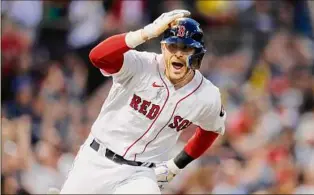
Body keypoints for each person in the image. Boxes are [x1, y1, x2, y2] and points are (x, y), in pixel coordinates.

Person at [59, 9, 226, 194]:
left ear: (197, 53)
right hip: (96, 161)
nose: (178, 53)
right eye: (173, 46)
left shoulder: (207, 95)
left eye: (186, 48)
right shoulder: (142, 64)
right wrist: (146, 33)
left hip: (140, 174)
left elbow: (211, 129)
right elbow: (97, 57)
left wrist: (176, 165)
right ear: (163, 48)